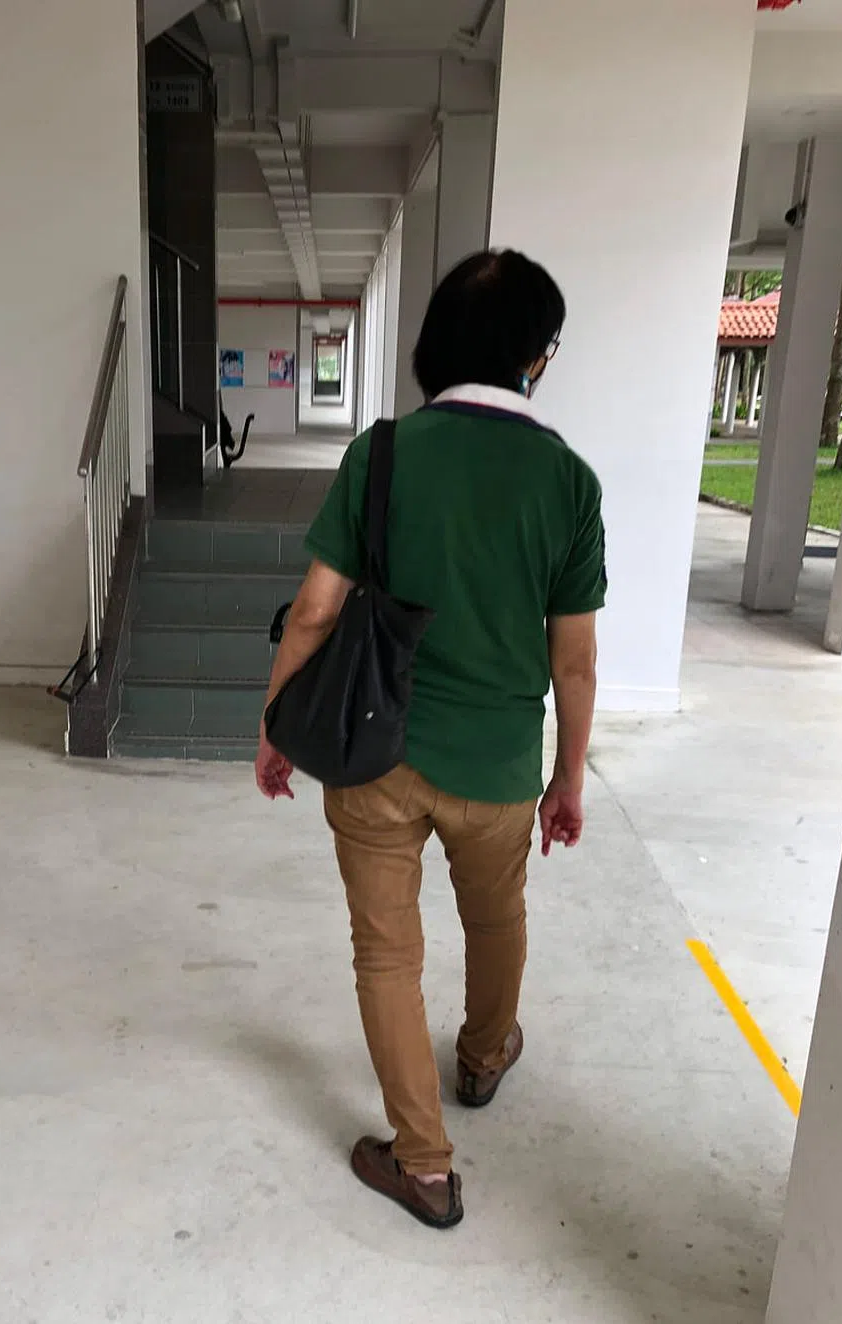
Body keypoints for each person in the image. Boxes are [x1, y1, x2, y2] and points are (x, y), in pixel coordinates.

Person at [255, 249, 605, 1230]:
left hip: (375, 752)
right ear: (536, 357)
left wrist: (277, 723)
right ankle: (485, 1058)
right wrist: (568, 779)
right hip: (499, 769)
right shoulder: (568, 481)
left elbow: (316, 611)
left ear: (435, 345)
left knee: (386, 954)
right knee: (495, 920)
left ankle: (422, 1165)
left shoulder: (383, 454)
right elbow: (575, 661)